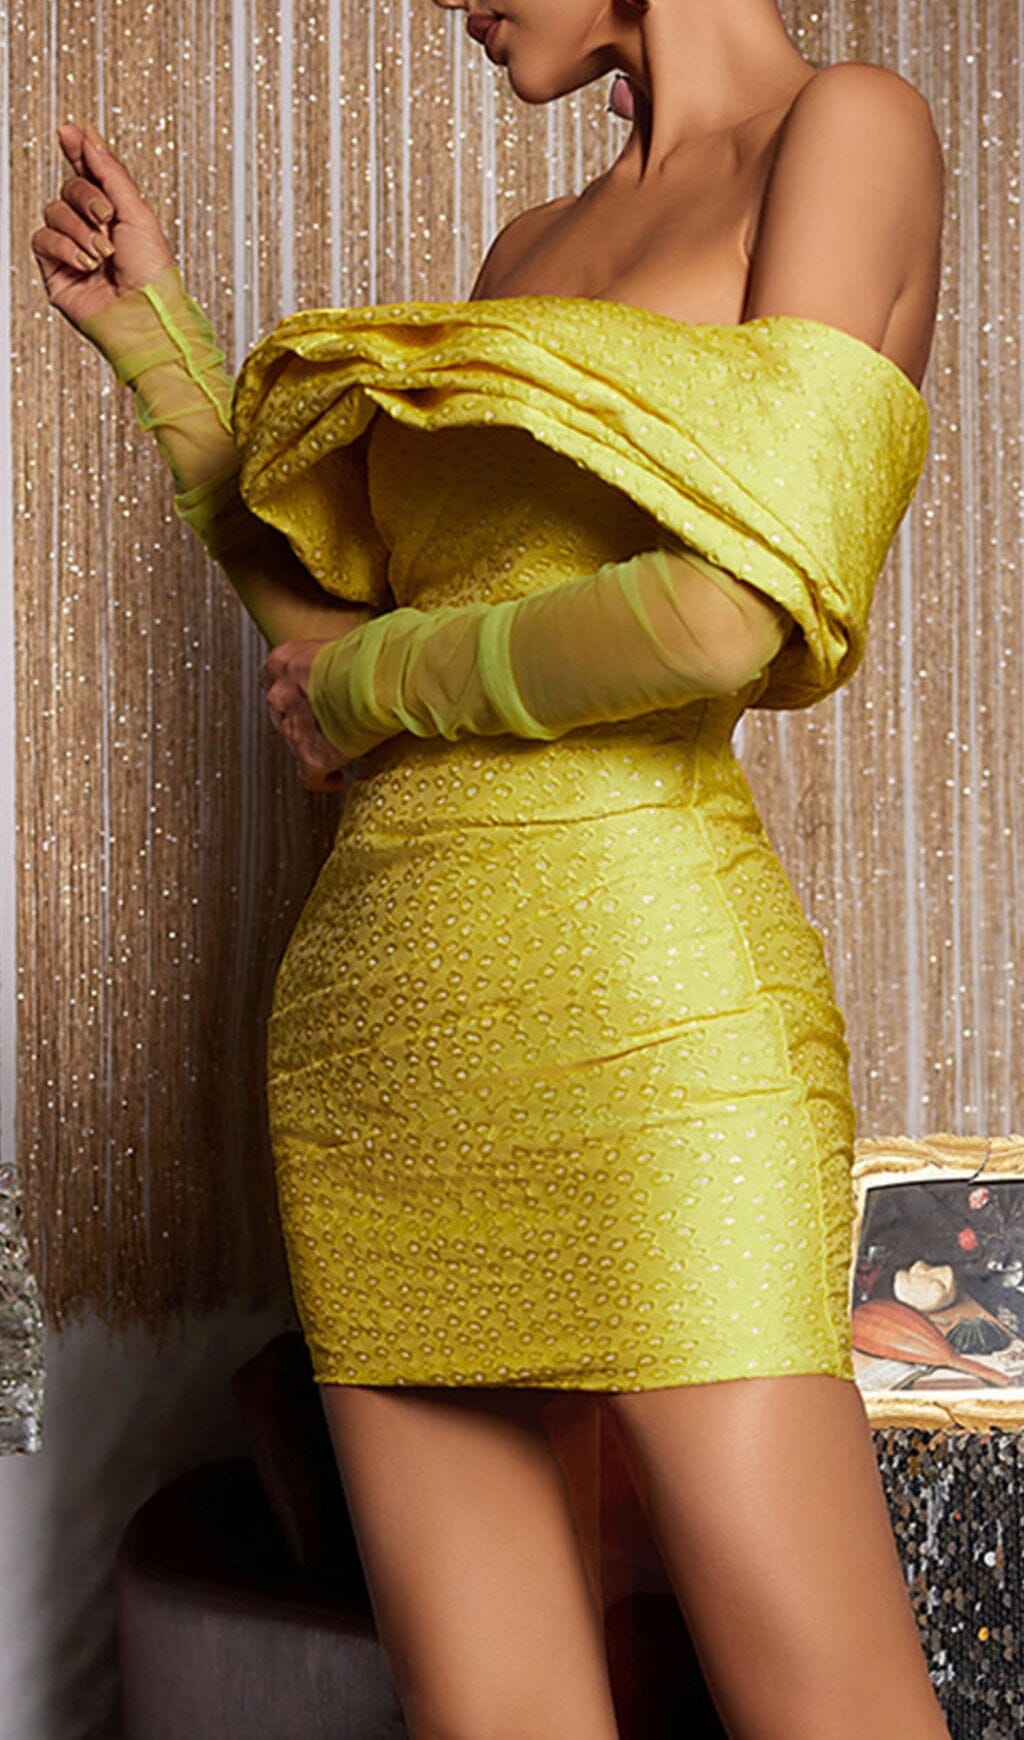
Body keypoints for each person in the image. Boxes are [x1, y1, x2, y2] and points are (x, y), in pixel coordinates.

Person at [32, 1, 950, 1734]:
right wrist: (157, 348)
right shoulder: (525, 249)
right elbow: (346, 668)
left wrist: (379, 679)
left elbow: (730, 611)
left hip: (654, 1041)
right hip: (378, 1051)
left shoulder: (848, 131)